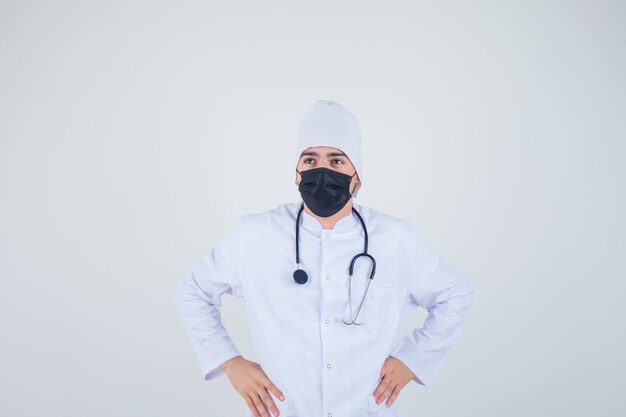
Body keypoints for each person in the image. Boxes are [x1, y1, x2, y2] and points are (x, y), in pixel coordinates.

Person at [175, 99, 474, 417]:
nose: (322, 171)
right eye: (310, 159)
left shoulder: (396, 237)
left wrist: (412, 360)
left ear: (357, 175)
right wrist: (230, 362)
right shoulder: (256, 234)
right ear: (296, 172)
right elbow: (193, 291)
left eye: (336, 161)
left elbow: (455, 294)